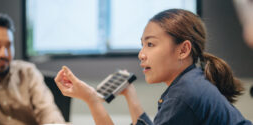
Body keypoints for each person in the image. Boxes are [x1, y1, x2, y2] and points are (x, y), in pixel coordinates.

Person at [55, 9, 252, 125]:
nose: (141, 54)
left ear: (183, 50)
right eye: (142, 45)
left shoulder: (182, 96)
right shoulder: (191, 83)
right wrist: (130, 94)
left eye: (150, 44)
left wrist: (92, 100)